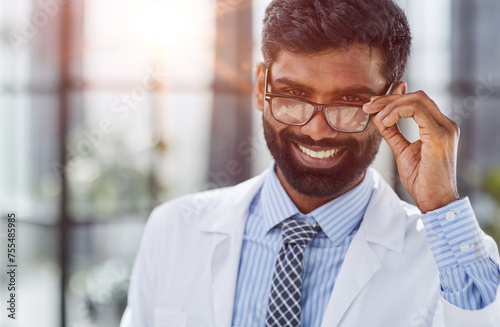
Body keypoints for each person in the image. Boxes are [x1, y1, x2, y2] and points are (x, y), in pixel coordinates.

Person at [120, 0, 500, 326]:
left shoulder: (449, 256)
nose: (317, 131)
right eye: (292, 95)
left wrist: (442, 205)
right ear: (259, 88)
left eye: (350, 102)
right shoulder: (173, 229)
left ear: (393, 104)